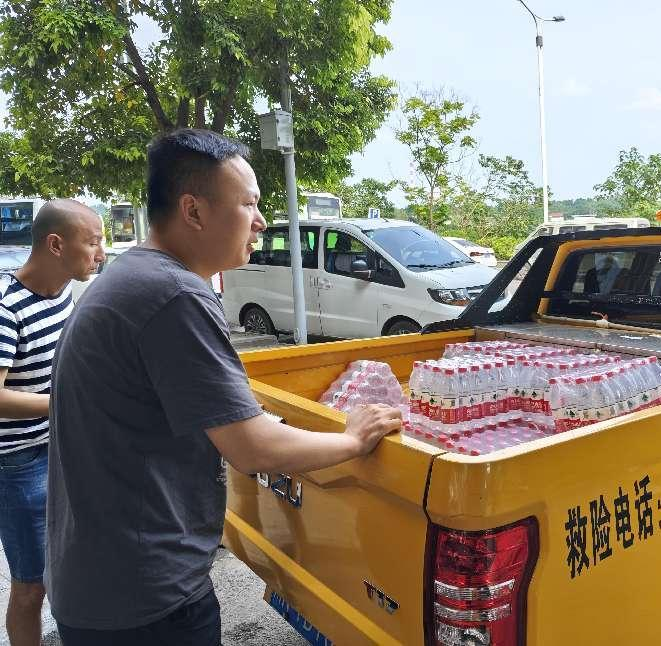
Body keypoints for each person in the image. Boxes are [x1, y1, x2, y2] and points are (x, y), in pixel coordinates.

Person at [45, 129, 402, 645]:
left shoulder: (132, 276)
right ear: (193, 211)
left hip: (98, 579)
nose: (260, 221)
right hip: (144, 597)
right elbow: (251, 448)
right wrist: (352, 438)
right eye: (249, 204)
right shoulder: (174, 294)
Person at [0, 200, 105, 646]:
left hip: (62, 446)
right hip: (19, 462)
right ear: (56, 245)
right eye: (93, 242)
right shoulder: (7, 308)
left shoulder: (62, 293)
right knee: (32, 585)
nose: (101, 253)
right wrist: (66, 403)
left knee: (73, 567)